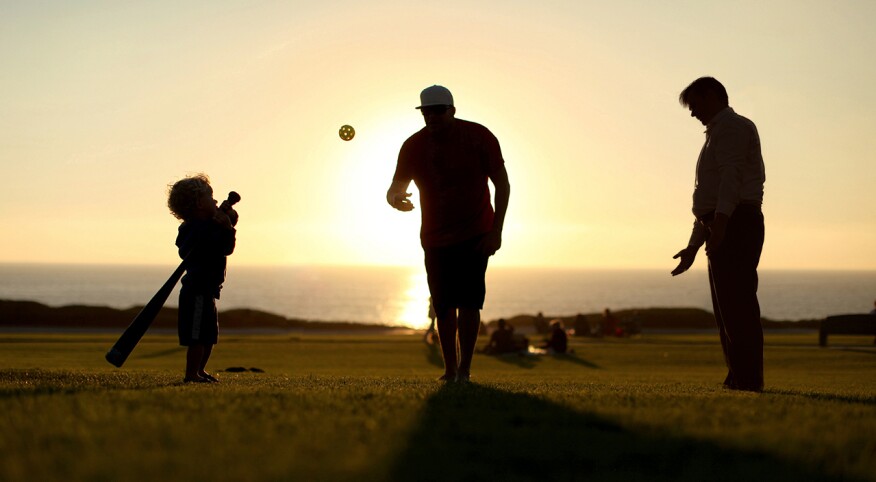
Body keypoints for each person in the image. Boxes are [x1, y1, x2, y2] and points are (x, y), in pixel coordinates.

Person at [387, 85, 511, 382]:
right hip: (434, 237)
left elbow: (502, 185)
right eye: (426, 112)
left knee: (469, 303)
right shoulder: (413, 146)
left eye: (438, 111)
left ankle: (465, 370)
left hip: (476, 233)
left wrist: (496, 231)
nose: (432, 116)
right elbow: (396, 187)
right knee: (442, 304)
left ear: (452, 110)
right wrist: (395, 199)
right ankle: (450, 370)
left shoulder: (479, 136)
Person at [671, 77, 766, 392]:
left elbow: (731, 180)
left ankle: (748, 380)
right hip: (725, 222)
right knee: (727, 308)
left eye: (694, 104)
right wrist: (694, 245)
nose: (692, 112)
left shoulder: (732, 128)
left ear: (711, 96)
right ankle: (738, 376)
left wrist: (722, 224)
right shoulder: (716, 134)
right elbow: (709, 198)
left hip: (736, 223)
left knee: (737, 305)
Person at [167, 174, 238, 383]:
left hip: (209, 290)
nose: (215, 201)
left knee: (209, 335)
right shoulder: (190, 230)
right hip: (196, 290)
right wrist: (222, 228)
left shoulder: (211, 224)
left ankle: (200, 370)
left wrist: (227, 224)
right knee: (197, 336)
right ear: (199, 204)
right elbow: (201, 248)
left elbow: (225, 247)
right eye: (211, 197)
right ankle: (191, 374)